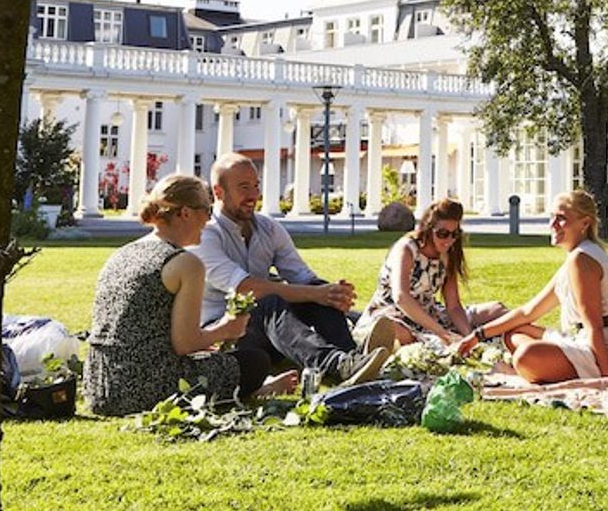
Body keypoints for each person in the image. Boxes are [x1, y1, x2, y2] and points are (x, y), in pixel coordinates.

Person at [85, 174, 296, 416]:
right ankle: (254, 390)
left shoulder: (122, 253)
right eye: (206, 210)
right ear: (185, 213)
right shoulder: (186, 263)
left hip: (101, 388)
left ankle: (246, 391)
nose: (208, 220)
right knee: (255, 361)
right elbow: (186, 343)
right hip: (145, 388)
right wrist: (227, 329)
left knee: (224, 358)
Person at [195, 153, 388, 386]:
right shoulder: (204, 235)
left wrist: (332, 292)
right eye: (244, 187)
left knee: (318, 291)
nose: (253, 195)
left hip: (271, 333)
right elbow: (247, 289)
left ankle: (354, 360)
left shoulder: (268, 228)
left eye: (256, 186)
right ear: (218, 192)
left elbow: (303, 278)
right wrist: (317, 293)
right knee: (268, 302)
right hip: (223, 334)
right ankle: (335, 365)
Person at [454, 189, 608, 381]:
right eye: (551, 217)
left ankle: (539, 369)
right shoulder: (576, 258)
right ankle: (543, 368)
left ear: (585, 223)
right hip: (584, 341)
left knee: (525, 356)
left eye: (561, 218)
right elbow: (527, 312)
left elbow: (593, 325)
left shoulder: (582, 260)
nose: (552, 225)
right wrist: (477, 335)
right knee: (514, 332)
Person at [354, 197, 509, 350]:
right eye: (442, 233)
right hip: (393, 314)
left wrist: (470, 337)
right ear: (429, 229)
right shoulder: (407, 249)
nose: (449, 240)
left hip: (430, 313)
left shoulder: (448, 254)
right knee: (394, 332)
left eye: (454, 234)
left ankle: (522, 342)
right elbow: (401, 298)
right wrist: (441, 333)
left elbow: (453, 306)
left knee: (496, 310)